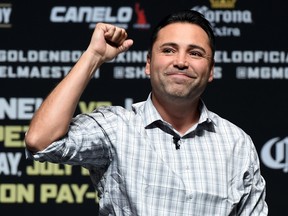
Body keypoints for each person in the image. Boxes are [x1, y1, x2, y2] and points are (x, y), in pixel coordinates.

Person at [25, 10, 268, 215]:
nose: (181, 61)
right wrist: (94, 57)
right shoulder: (117, 127)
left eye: (195, 53)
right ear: (148, 64)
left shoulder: (237, 144)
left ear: (211, 70)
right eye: (169, 50)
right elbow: (41, 141)